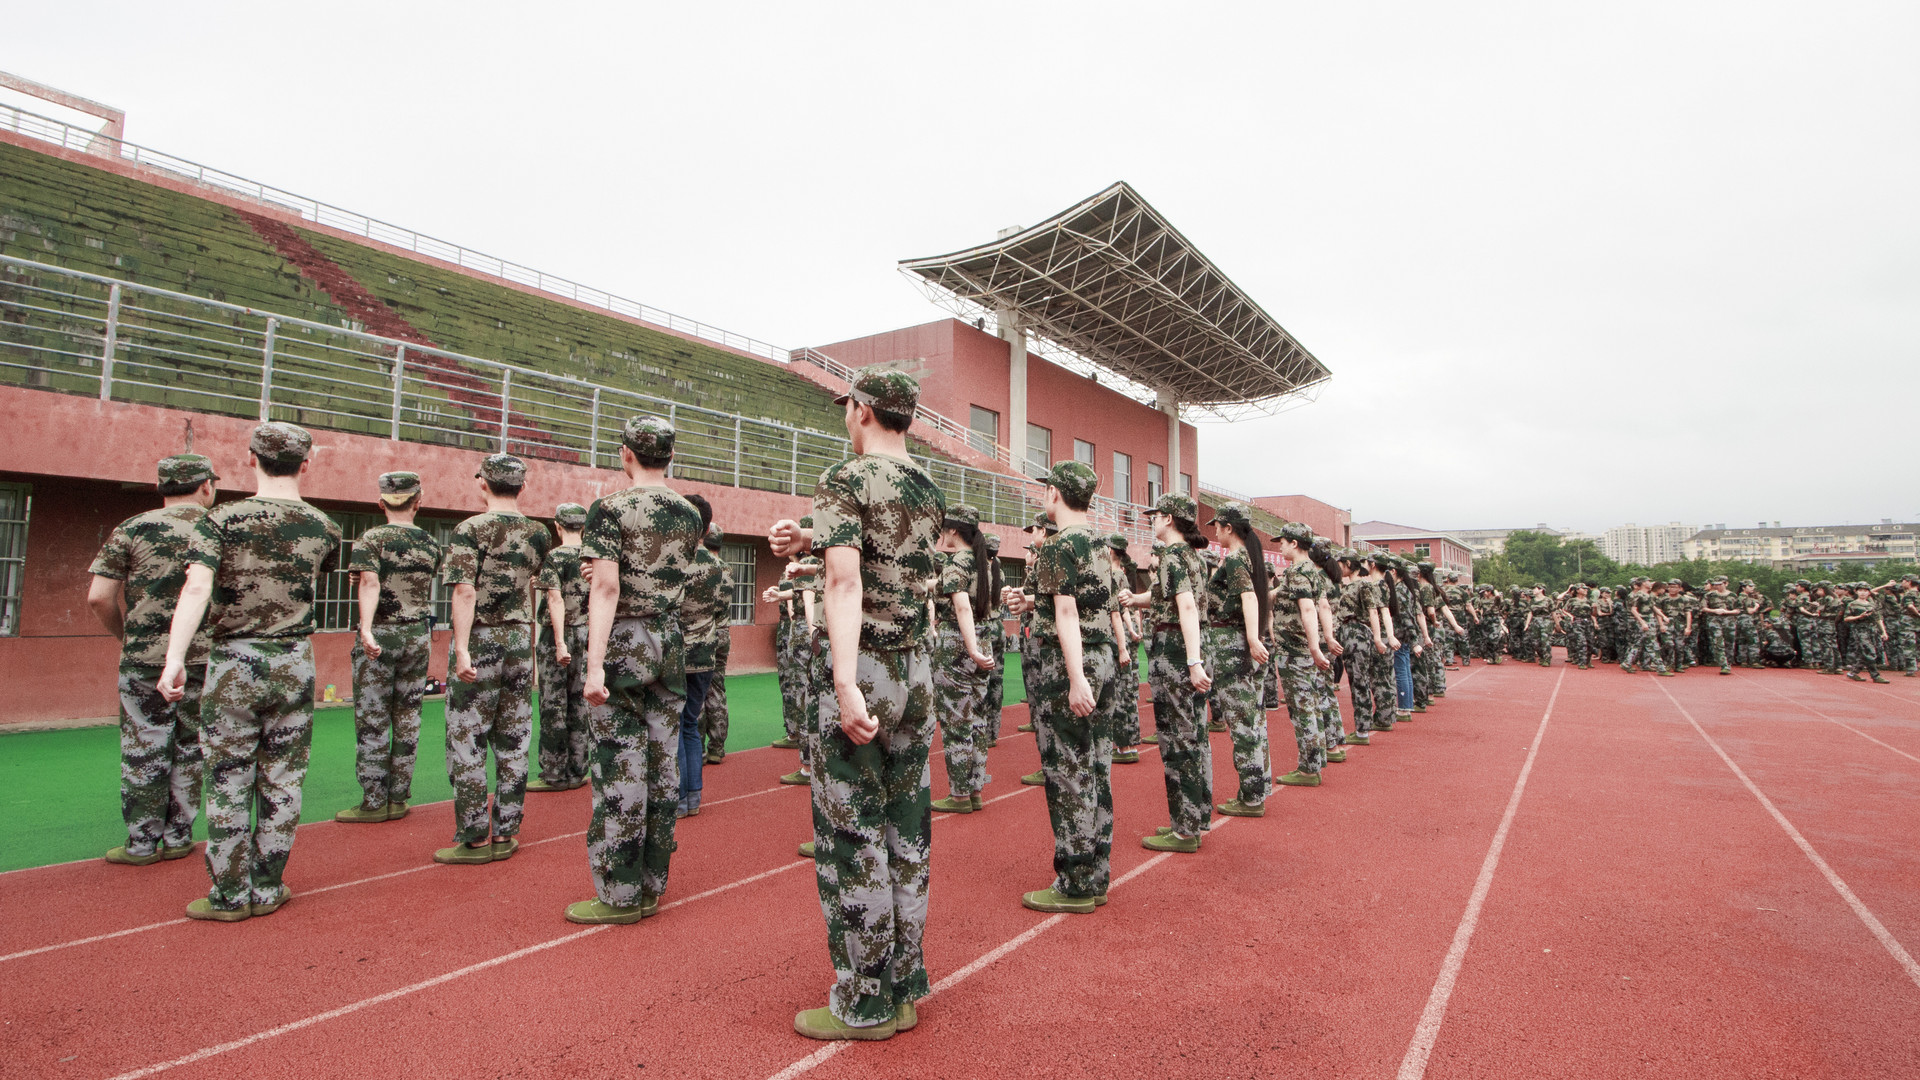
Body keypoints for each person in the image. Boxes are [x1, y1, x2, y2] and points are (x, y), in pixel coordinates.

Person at [770, 369, 945, 1041]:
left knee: (853, 835)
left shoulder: (845, 478)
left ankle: (864, 1000)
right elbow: (883, 561)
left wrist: (844, 683)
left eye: (850, 407)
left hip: (865, 663)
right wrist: (808, 539)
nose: (847, 417)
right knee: (908, 830)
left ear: (866, 411)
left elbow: (848, 581)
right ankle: (904, 983)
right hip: (915, 670)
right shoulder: (928, 488)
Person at [157, 423, 341, 921]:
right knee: (282, 778)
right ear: (305, 464)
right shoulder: (325, 526)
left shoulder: (221, 519)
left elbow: (195, 589)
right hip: (292, 660)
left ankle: (229, 894)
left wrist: (174, 658)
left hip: (233, 659)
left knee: (227, 775)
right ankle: (267, 886)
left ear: (250, 459)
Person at [568, 416, 703, 924]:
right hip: (669, 640)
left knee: (618, 765)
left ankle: (620, 892)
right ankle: (652, 883)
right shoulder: (689, 513)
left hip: (624, 637)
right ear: (668, 456)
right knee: (661, 762)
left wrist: (596, 665)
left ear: (626, 454)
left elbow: (606, 589)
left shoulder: (610, 508)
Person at [87, 453, 219, 866]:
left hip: (143, 658)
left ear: (161, 488)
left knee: (145, 746)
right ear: (206, 486)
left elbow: (98, 597)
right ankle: (179, 836)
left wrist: (126, 636)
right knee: (190, 746)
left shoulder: (132, 528)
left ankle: (141, 844)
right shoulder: (218, 528)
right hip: (203, 658)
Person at [1008, 461, 1119, 910]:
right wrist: (1035, 601)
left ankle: (1074, 883)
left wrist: (1074, 678)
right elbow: (1091, 601)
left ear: (1055, 493)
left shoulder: (1057, 546)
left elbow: (1069, 613)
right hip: (1104, 655)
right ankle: (1096, 874)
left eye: (1045, 490)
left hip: (1070, 661)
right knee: (1097, 765)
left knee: (1068, 769)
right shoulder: (1098, 543)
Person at [436, 453, 552, 867]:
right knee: (515, 735)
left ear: (482, 483)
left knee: (468, 737)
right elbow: (545, 586)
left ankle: (473, 836)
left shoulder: (470, 529)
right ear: (521, 487)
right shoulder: (539, 533)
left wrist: (463, 647)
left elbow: (464, 591)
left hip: (482, 635)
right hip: (520, 638)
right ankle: (506, 828)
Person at [337, 472, 443, 822]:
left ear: (381, 503)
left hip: (381, 633)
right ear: (418, 502)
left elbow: (368, 581)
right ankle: (398, 797)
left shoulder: (371, 539)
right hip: (417, 635)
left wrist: (365, 629)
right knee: (408, 715)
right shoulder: (430, 543)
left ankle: (373, 801)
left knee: (373, 718)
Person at [1120, 493, 1212, 852]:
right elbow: (1168, 597)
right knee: (1195, 733)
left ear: (1170, 518)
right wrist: (1133, 598)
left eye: (1155, 515)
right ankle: (1195, 815)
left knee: (1178, 739)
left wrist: (1191, 661)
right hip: (1188, 644)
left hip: (1176, 649)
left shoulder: (1173, 556)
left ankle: (1185, 828)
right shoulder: (1192, 557)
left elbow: (1186, 605)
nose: (1151, 520)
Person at [1205, 503, 1274, 814]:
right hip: (1242, 645)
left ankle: (1251, 795)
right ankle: (1261, 784)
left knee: (1242, 722)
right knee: (1254, 719)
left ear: (1228, 528)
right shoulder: (1251, 558)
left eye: (1217, 526)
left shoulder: (1234, 559)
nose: (1215, 532)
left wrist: (1251, 639)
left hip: (1232, 647)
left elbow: (1248, 596)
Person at [928, 504, 996, 815]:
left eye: (944, 528)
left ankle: (958, 795)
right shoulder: (980, 563)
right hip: (983, 639)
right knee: (978, 719)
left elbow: (961, 608)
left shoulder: (956, 563)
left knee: (956, 720)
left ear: (953, 530)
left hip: (959, 643)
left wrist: (969, 648)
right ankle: (975, 789)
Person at [1268, 524, 1338, 787]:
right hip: (1300, 649)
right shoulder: (1310, 571)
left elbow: (1309, 609)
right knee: (1311, 703)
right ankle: (1316, 761)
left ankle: (1308, 769)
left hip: (1295, 650)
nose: (1280, 546)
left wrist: (1314, 647)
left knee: (1302, 708)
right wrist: (1327, 638)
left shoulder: (1298, 571)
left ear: (1295, 544)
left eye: (1283, 542)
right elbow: (1323, 605)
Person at [529, 503, 591, 792]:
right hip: (587, 633)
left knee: (554, 704)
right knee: (580, 703)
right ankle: (578, 770)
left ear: (558, 526)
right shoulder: (593, 556)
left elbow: (555, 600)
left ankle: (554, 773)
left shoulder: (554, 557)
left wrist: (558, 642)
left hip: (560, 633)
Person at [676, 498, 728, 817]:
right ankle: (692, 796)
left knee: (674, 726)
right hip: (706, 652)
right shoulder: (716, 565)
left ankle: (680, 796)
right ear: (707, 528)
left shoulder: (675, 560)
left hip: (677, 654)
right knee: (690, 725)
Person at [1335, 550, 1395, 739]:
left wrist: (1378, 638)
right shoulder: (1349, 586)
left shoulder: (1363, 585)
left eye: (1341, 564)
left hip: (1357, 635)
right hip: (1349, 634)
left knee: (1359, 682)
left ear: (1348, 564)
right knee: (1358, 681)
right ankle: (1364, 725)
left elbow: (1373, 613)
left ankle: (1362, 729)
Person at [1106, 533, 1146, 765]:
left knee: (1118, 693)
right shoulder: (1123, 575)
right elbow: (1127, 610)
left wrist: (1124, 639)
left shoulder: (1112, 575)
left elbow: (1117, 611)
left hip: (1114, 637)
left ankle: (1122, 746)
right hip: (1123, 636)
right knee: (1128, 691)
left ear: (1111, 551)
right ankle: (1129, 744)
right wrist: (1132, 631)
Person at [698, 525, 735, 764]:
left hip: (703, 632)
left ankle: (697, 747)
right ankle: (717, 747)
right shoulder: (728, 569)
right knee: (718, 689)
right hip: (723, 632)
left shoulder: (701, 567)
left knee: (698, 689)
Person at [1621, 577, 1671, 676]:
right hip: (1645, 620)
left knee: (1639, 643)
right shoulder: (1639, 595)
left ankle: (1627, 663)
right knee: (1652, 644)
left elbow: (1653, 607)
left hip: (1649, 620)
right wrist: (1642, 622)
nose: (1650, 583)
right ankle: (1661, 668)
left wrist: (1663, 616)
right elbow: (1633, 609)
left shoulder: (1647, 595)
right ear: (1643, 583)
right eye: (1648, 581)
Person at [1842, 583, 1891, 683]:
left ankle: (1853, 672)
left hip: (1872, 630)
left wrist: (1883, 631)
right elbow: (1846, 618)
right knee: (1869, 652)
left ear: (1869, 592)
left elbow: (1878, 619)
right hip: (1860, 631)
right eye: (1860, 590)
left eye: (1865, 591)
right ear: (1856, 591)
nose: (1863, 593)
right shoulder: (1852, 604)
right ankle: (1875, 676)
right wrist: (1859, 617)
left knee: (1865, 653)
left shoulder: (1872, 605)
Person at [1698, 577, 1740, 676]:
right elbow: (1703, 608)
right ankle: (1723, 664)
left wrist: (1727, 612)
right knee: (1717, 642)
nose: (1717, 586)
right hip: (1714, 620)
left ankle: (1728, 663)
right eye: (1715, 584)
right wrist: (1714, 610)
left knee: (1729, 643)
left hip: (1729, 621)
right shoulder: (1709, 595)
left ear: (1726, 584)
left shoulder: (1733, 595)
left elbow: (1738, 610)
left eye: (1720, 584)